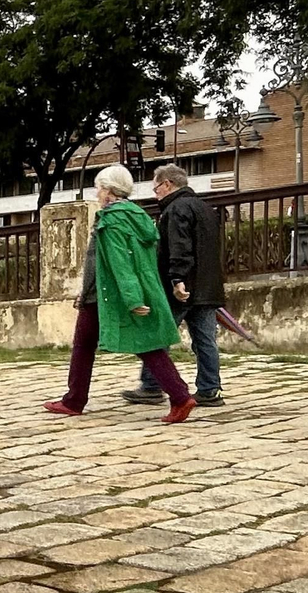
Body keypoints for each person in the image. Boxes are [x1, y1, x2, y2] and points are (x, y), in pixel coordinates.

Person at [46, 164, 196, 424]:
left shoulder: (113, 220)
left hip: (110, 295)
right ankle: (74, 400)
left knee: (139, 345)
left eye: (99, 188)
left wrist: (132, 299)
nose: (97, 193)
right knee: (92, 345)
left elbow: (119, 262)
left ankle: (180, 397)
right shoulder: (136, 215)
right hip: (109, 292)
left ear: (108, 190)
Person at [123, 164, 225, 407]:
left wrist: (176, 279)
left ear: (167, 184)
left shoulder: (175, 209)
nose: (155, 193)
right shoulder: (205, 208)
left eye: (156, 188)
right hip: (207, 287)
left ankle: (151, 386)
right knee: (205, 341)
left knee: (158, 335)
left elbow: (180, 247)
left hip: (182, 287)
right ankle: (210, 389)